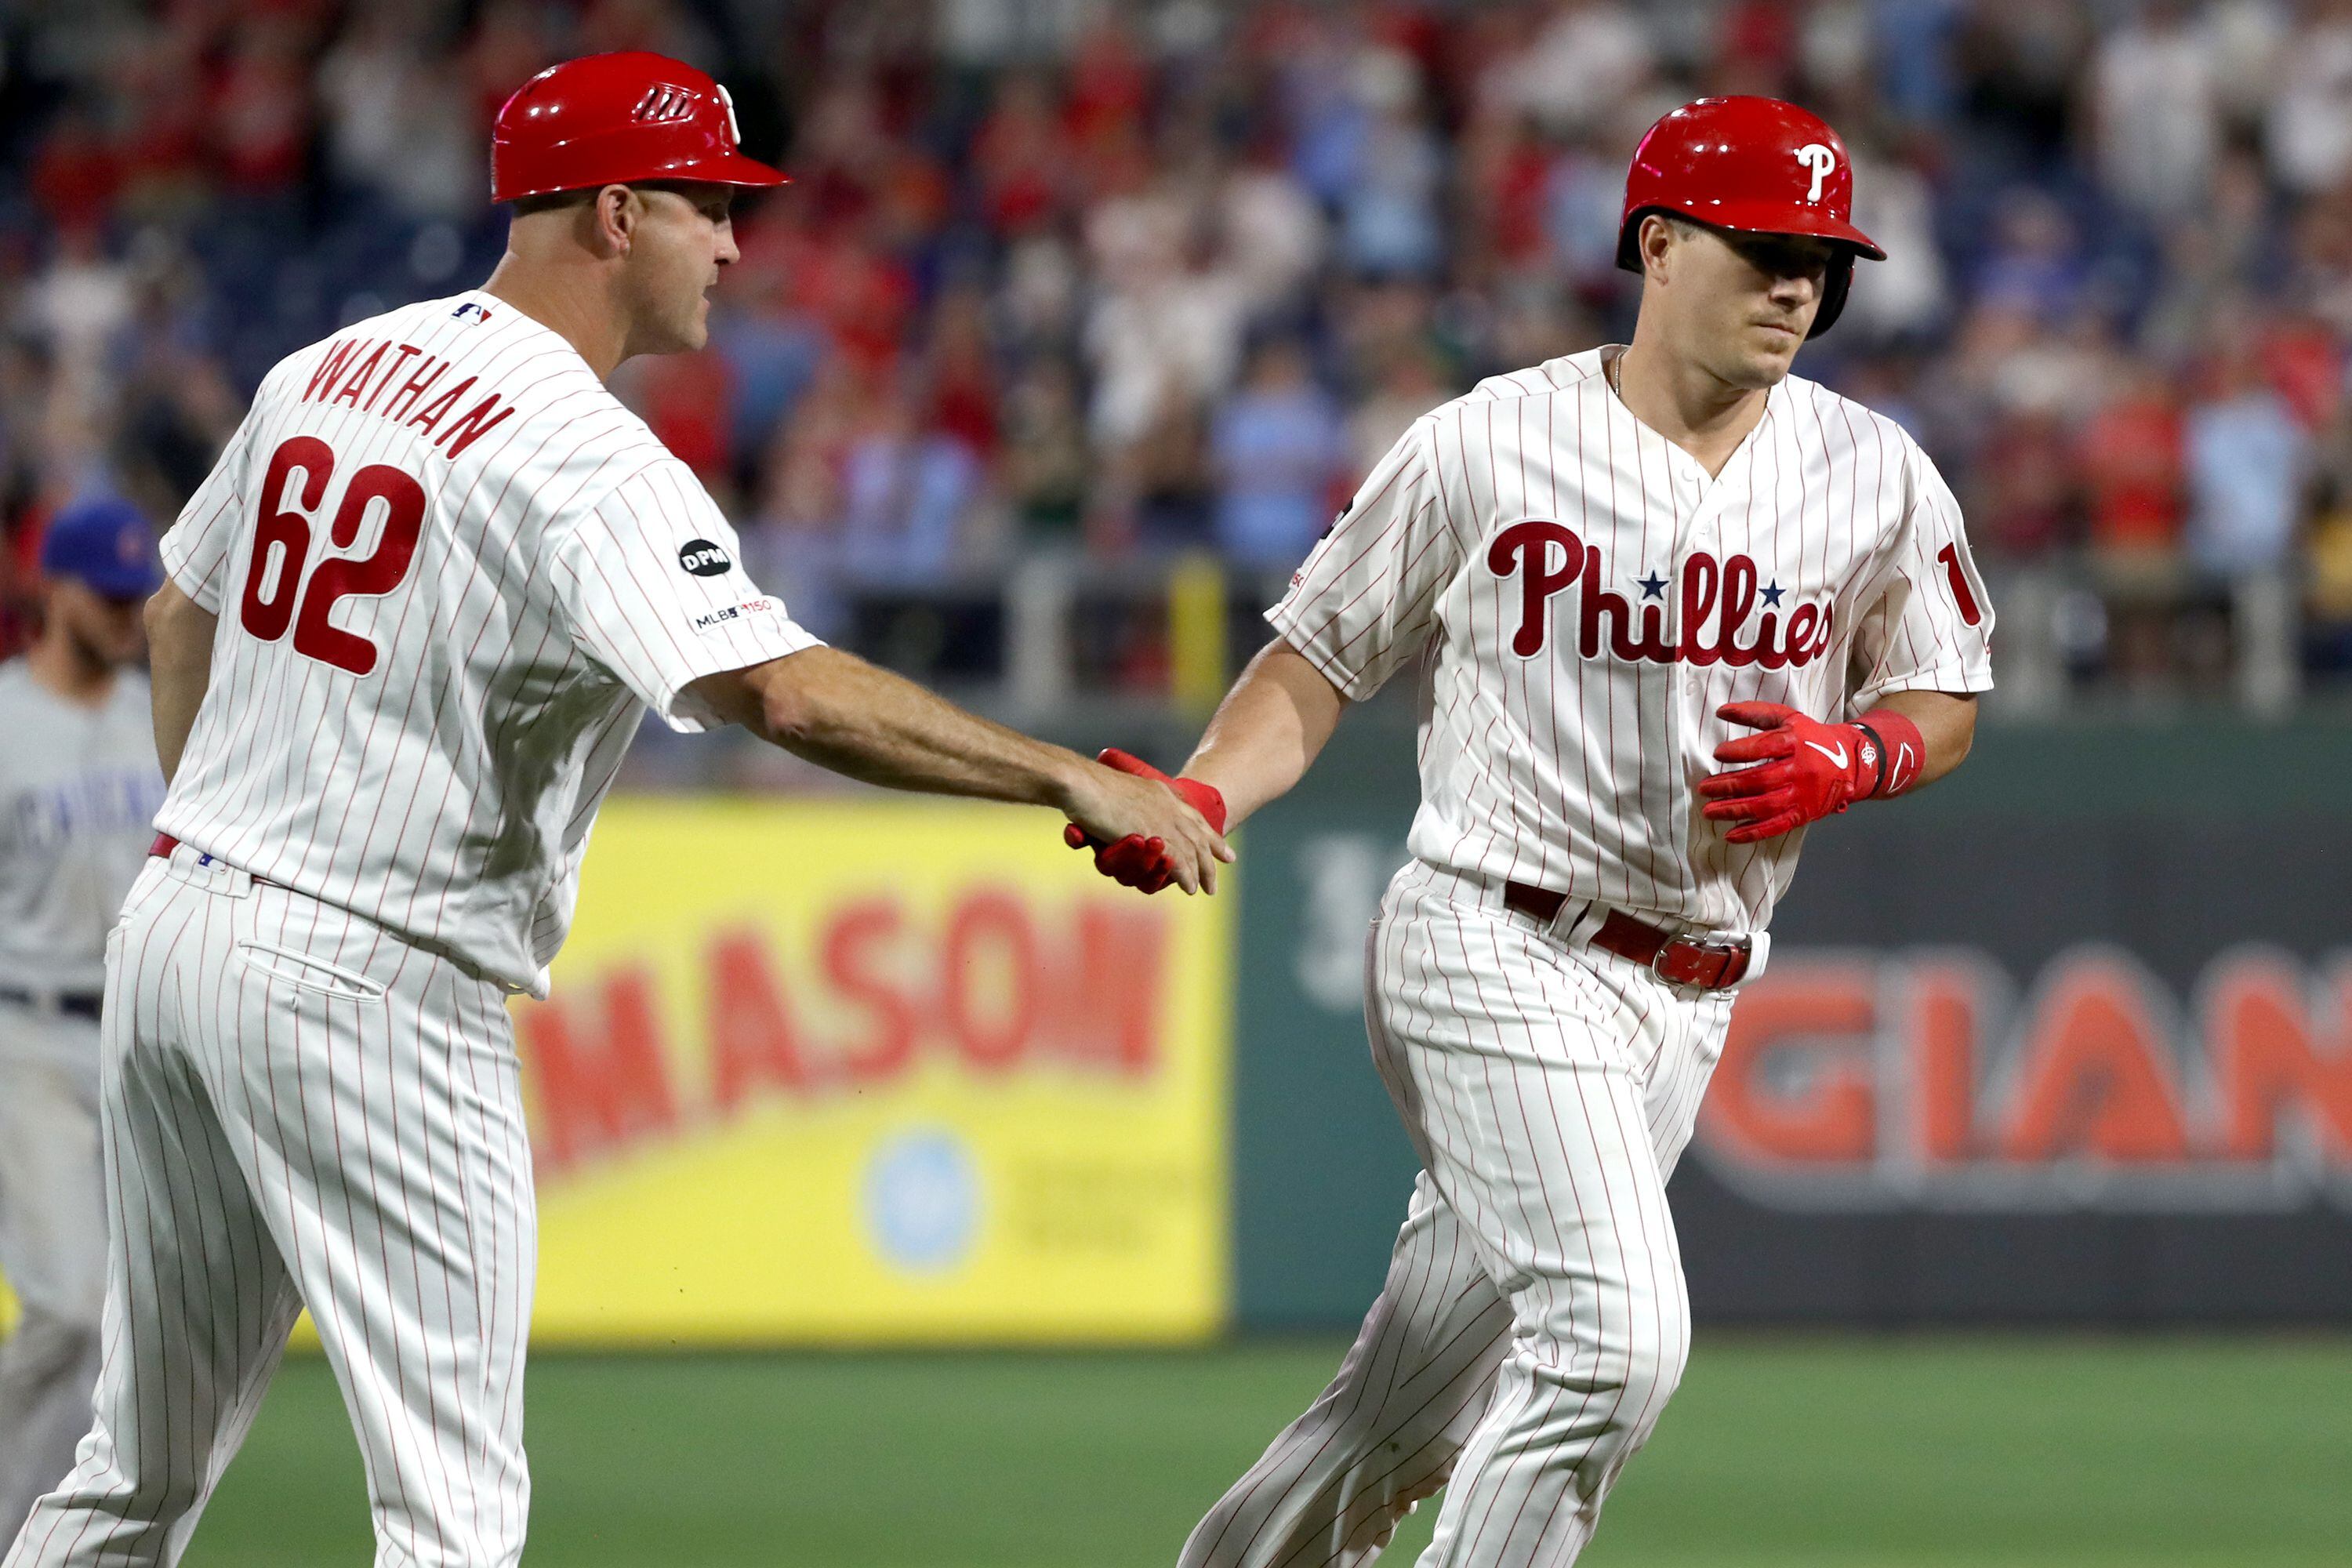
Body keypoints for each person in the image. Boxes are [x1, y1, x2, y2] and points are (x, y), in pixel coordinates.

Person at [5, 52, 1225, 1568]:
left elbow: (179, 615)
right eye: (709, 206)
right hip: (368, 976)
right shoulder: (583, 453)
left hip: (179, 929)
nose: (733, 245)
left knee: (130, 1477)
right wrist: (1064, 771)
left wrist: (213, 831)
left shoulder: (328, 364)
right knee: (453, 1519)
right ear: (617, 213)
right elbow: (783, 693)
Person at [1071, 97, 1994, 1566]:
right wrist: (1204, 792)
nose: (1796, 286)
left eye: (1821, 260)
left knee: (1407, 1412)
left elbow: (1941, 693)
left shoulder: (1872, 469)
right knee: (1615, 1343)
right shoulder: (1487, 442)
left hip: (1689, 988)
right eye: (1764, 249)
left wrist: (1860, 753)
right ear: (1659, 243)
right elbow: (1318, 659)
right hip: (1492, 934)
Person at [0, 499, 167, 1542]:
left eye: (133, 596)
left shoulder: (161, 714)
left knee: (122, 1332)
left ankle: (50, 1542)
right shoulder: (6, 721)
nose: (122, 614)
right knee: (67, 1307)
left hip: (137, 1045)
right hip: (27, 1033)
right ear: (51, 590)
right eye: (103, 595)